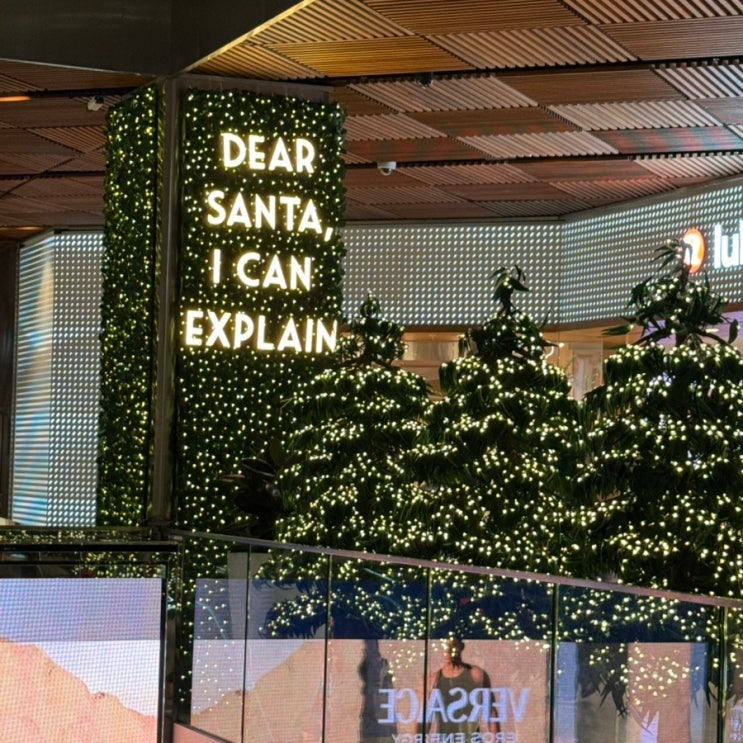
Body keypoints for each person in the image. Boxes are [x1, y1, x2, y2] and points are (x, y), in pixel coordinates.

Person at [426, 638, 500, 737]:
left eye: (452, 646)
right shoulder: (434, 680)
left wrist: (496, 738)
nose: (449, 651)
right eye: (446, 647)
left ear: (461, 647)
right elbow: (426, 718)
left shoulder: (475, 674)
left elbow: (490, 710)